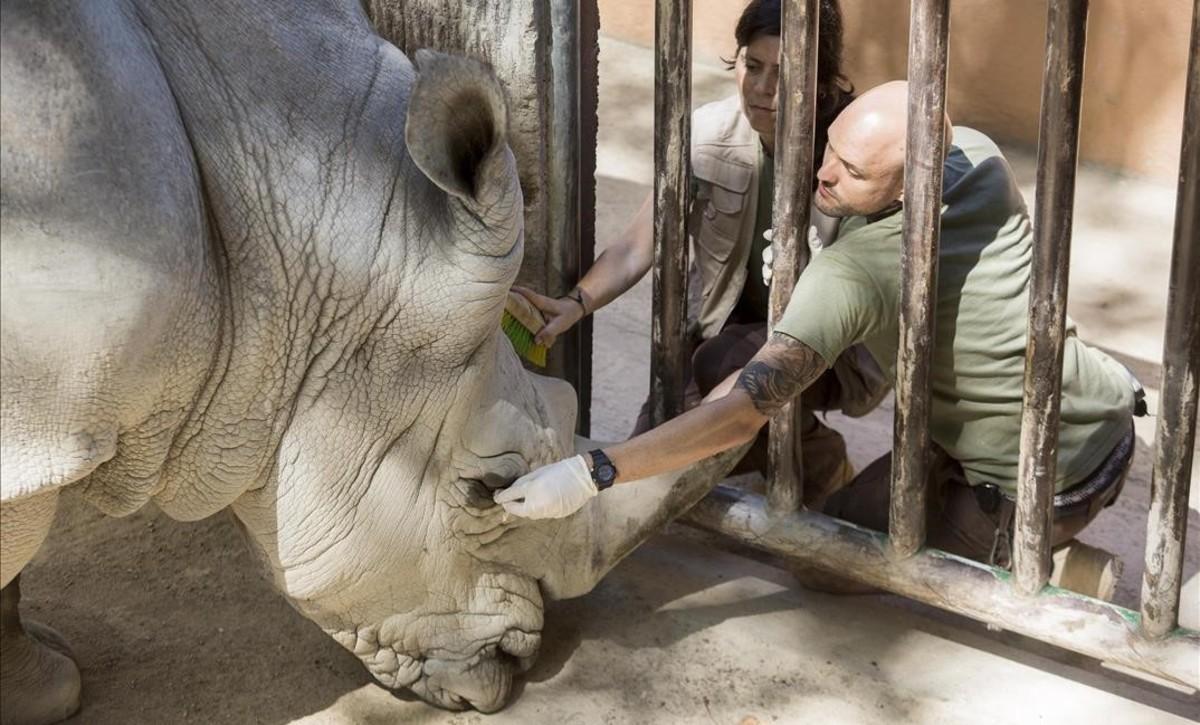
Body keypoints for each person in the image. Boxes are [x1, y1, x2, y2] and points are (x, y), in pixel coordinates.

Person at [496, 82, 1137, 582]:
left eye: (852, 171)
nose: (824, 173)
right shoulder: (977, 155)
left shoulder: (857, 271)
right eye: (831, 146)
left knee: (820, 565)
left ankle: (1051, 565)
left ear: (914, 183)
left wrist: (593, 472)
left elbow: (743, 409)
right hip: (1097, 404)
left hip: (1043, 480)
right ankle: (859, 475)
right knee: (840, 517)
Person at [515, 0, 887, 508]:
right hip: (721, 328)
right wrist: (576, 303)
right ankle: (812, 453)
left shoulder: (852, 148)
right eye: (753, 66)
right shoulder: (711, 133)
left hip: (834, 350)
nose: (762, 87)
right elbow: (634, 247)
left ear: (822, 80)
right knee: (653, 453)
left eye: (784, 72)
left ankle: (795, 455)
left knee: (710, 396)